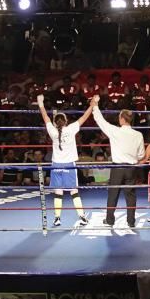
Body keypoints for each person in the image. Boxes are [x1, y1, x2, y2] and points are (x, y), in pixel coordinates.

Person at [37, 94, 93, 227]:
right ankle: (82, 217)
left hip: (56, 165)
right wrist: (92, 105)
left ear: (55, 122)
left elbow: (45, 118)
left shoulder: (52, 131)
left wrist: (40, 103)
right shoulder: (71, 128)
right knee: (74, 192)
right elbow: (84, 117)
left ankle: (57, 218)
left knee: (58, 193)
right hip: (69, 165)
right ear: (66, 121)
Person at [91, 95, 145, 228]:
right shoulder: (138, 135)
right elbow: (141, 154)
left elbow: (100, 120)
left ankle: (110, 220)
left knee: (113, 194)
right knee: (131, 195)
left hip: (118, 168)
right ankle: (131, 221)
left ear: (121, 119)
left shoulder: (115, 131)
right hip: (131, 168)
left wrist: (95, 105)